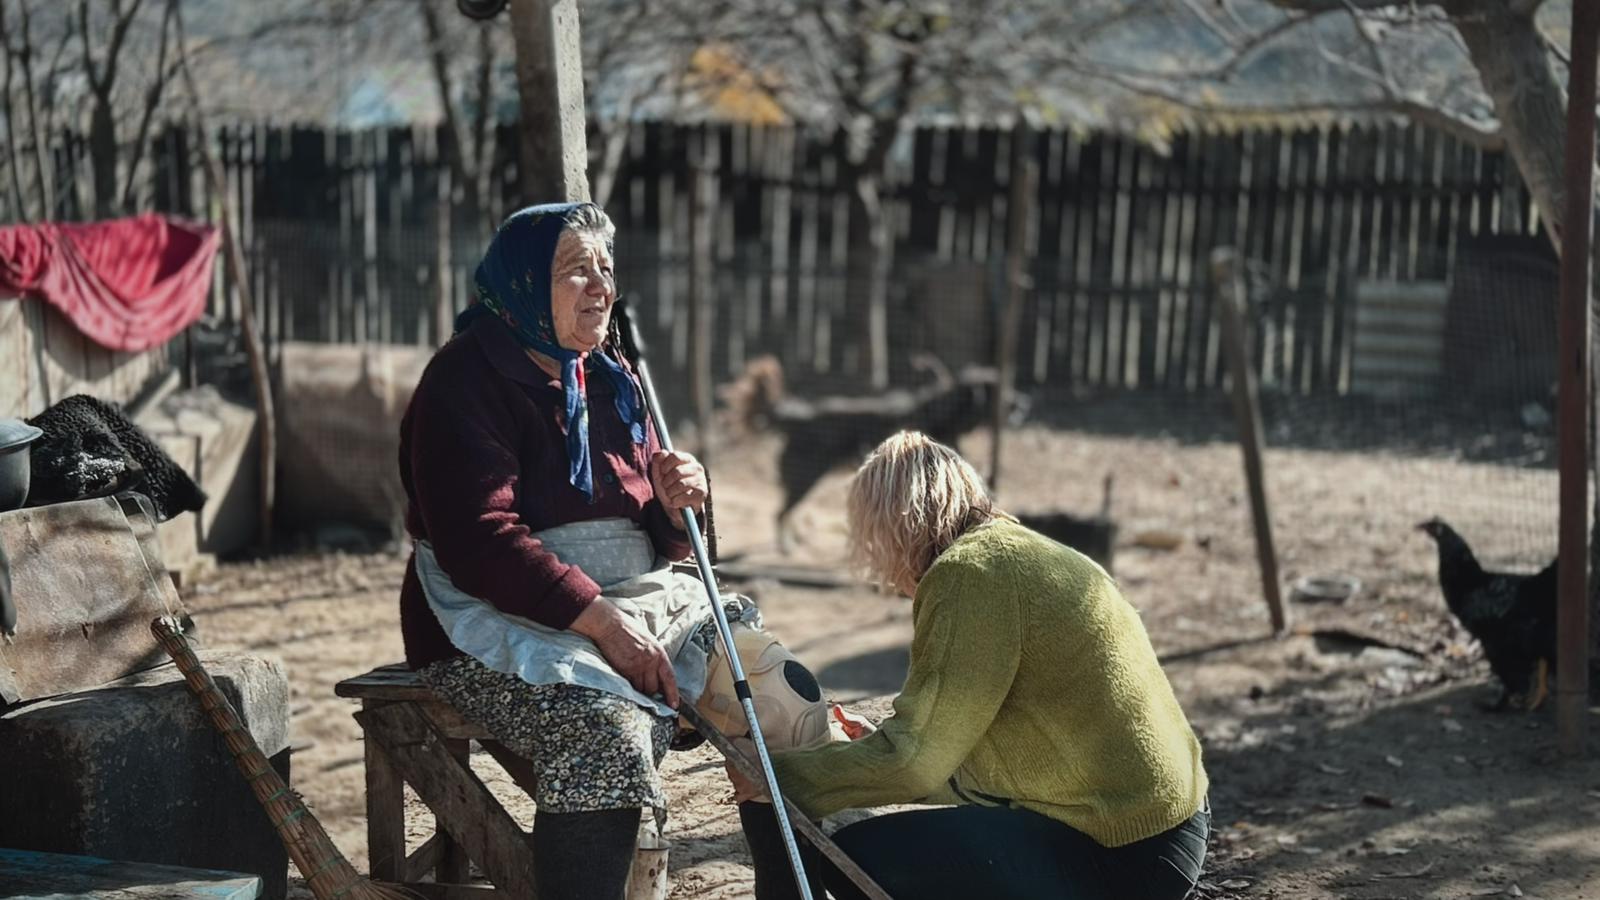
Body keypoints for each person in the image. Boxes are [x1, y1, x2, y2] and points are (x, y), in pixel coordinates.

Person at [396, 202, 834, 900]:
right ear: (522, 285)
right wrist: (601, 622)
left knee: (790, 707)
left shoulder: (612, 375)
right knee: (603, 736)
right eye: (576, 272)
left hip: (638, 602)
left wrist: (679, 502)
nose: (601, 287)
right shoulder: (464, 381)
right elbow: (479, 540)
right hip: (501, 616)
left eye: (606, 268)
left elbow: (664, 541)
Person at [762, 430, 1211, 900]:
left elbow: (914, 765)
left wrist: (778, 777)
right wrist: (876, 751)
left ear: (894, 524)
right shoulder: (1018, 553)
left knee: (853, 861)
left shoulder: (969, 575)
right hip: (1167, 826)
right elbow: (965, 757)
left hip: (1127, 854)